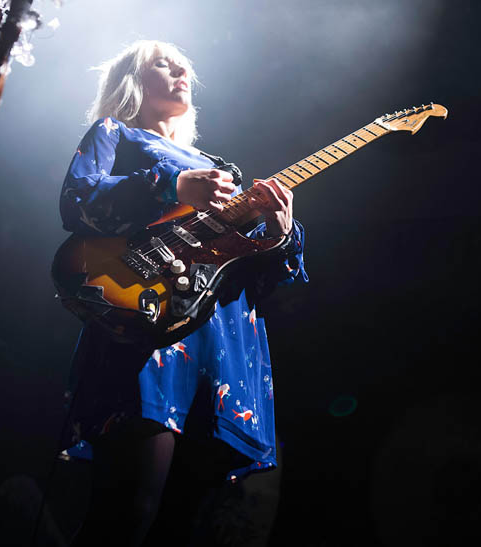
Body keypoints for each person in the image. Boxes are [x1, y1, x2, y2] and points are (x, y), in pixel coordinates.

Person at [58, 40, 307, 546]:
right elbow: (77, 202)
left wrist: (279, 237)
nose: (180, 71)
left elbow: (261, 279)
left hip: (223, 353)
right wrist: (171, 184)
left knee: (182, 529)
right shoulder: (116, 134)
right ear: (133, 80)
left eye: (184, 66)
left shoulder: (223, 173)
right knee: (126, 515)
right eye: (162, 64)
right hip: (147, 335)